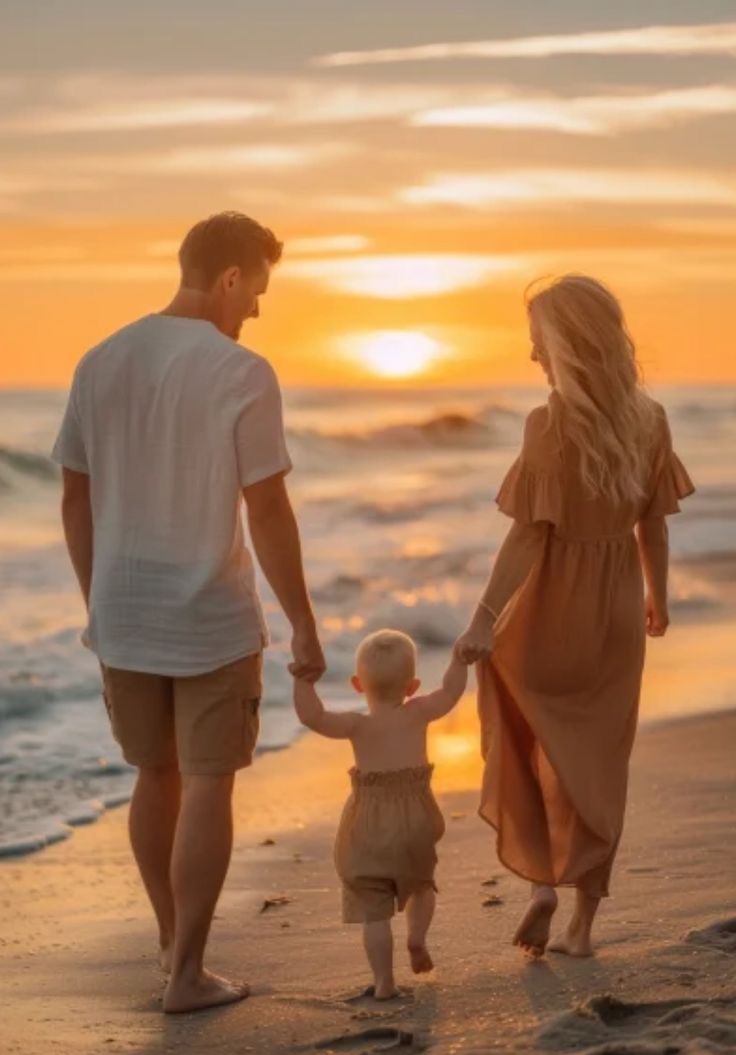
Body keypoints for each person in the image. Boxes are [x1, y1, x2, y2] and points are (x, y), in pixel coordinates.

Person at [52, 211, 325, 1013]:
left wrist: (97, 591)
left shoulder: (100, 360)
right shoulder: (241, 371)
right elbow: (267, 506)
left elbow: (75, 492)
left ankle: (172, 943)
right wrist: (303, 619)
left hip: (124, 611)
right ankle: (187, 976)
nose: (257, 312)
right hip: (209, 612)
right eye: (258, 292)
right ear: (231, 277)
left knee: (153, 774)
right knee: (207, 783)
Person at [456, 274, 694, 958]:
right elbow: (654, 528)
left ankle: (539, 883)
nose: (532, 356)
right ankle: (582, 930)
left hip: (549, 608)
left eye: (537, 343)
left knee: (524, 735)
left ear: (565, 346)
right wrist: (659, 596)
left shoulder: (548, 424)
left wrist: (482, 617)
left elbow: (530, 536)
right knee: (599, 765)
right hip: (616, 611)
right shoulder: (651, 420)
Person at [293, 630, 466, 998]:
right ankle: (417, 939)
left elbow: (313, 717)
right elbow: (451, 693)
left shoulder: (356, 725)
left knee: (374, 909)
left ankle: (384, 982)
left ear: (357, 684)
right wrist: (458, 660)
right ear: (413, 685)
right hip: (417, 818)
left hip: (368, 826)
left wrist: (302, 680)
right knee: (421, 883)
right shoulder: (418, 711)